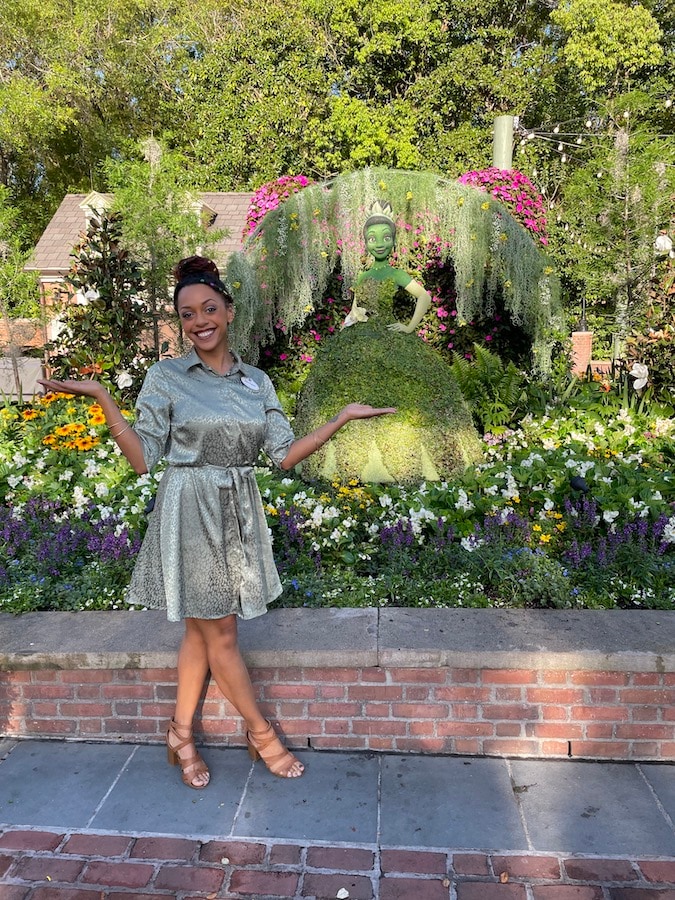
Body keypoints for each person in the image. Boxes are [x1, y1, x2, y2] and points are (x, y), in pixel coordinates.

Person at [39, 255, 395, 789]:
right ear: (180, 322)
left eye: (209, 308)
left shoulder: (257, 382)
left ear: (229, 312)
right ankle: (261, 733)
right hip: (188, 506)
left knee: (200, 633)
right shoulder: (166, 378)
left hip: (237, 508)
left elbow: (282, 454)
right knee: (221, 633)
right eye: (187, 314)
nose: (199, 320)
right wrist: (102, 399)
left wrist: (340, 419)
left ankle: (180, 733)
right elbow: (142, 459)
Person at [293, 201, 482, 484]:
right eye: (372, 238)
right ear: (366, 242)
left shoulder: (394, 274)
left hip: (391, 335)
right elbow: (356, 308)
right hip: (359, 336)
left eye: (385, 237)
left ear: (393, 241)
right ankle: (339, 458)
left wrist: (409, 327)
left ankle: (411, 459)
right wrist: (348, 326)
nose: (378, 243)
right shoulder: (363, 275)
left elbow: (424, 297)